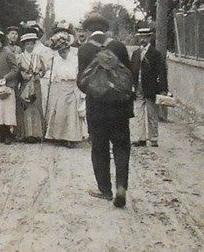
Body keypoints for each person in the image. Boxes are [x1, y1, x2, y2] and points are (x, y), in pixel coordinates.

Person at [78, 14, 134, 208]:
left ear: (88, 30)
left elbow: (81, 82)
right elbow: (129, 76)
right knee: (121, 147)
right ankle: (121, 187)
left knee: (99, 148)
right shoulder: (118, 47)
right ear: (105, 28)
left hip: (97, 108)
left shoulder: (85, 49)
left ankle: (105, 189)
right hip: (119, 108)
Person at [45, 23, 87, 147]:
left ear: (68, 48)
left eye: (64, 50)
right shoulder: (55, 60)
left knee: (71, 114)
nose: (62, 53)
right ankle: (58, 136)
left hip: (72, 87)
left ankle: (71, 137)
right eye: (60, 51)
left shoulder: (75, 58)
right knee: (59, 112)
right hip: (60, 87)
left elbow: (78, 73)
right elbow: (53, 75)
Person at [130, 27, 168, 148]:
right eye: (140, 37)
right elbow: (132, 71)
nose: (142, 39)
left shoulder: (155, 54)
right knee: (138, 114)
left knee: (152, 114)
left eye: (145, 37)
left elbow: (161, 71)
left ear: (150, 38)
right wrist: (131, 85)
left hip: (151, 87)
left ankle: (154, 138)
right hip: (138, 87)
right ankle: (140, 138)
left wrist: (163, 88)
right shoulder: (136, 53)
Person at [16, 32, 47, 142]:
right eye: (27, 44)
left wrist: (39, 75)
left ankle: (37, 133)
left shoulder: (38, 57)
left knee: (36, 107)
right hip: (25, 85)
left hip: (36, 84)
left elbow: (44, 70)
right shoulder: (20, 57)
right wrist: (22, 75)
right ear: (24, 45)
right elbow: (16, 71)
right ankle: (26, 134)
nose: (29, 46)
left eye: (31, 44)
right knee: (25, 107)